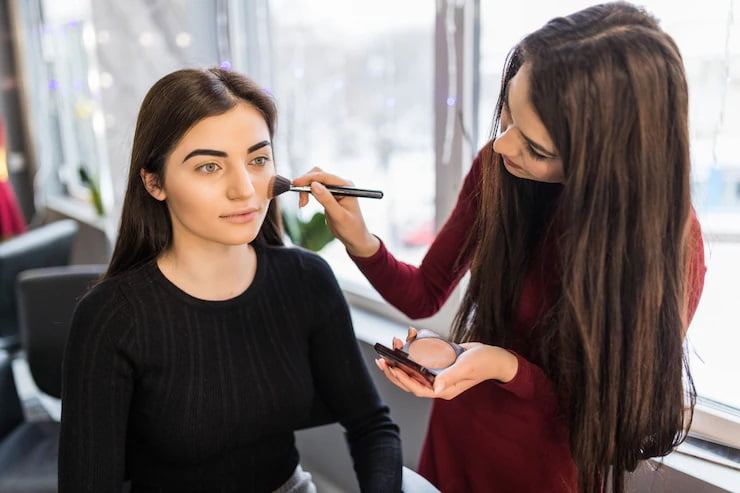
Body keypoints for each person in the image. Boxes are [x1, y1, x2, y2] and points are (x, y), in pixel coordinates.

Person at [292, 2, 707, 492]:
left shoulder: (666, 252)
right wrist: (358, 238)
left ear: (606, 165)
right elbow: (422, 295)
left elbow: (613, 415)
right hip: (456, 437)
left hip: (543, 470)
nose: (505, 146)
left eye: (537, 148)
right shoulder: (499, 170)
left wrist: (504, 366)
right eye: (508, 115)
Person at [59, 68, 402, 493]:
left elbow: (373, 428)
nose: (244, 189)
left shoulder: (306, 280)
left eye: (258, 160)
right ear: (154, 182)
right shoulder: (113, 318)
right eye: (208, 167)